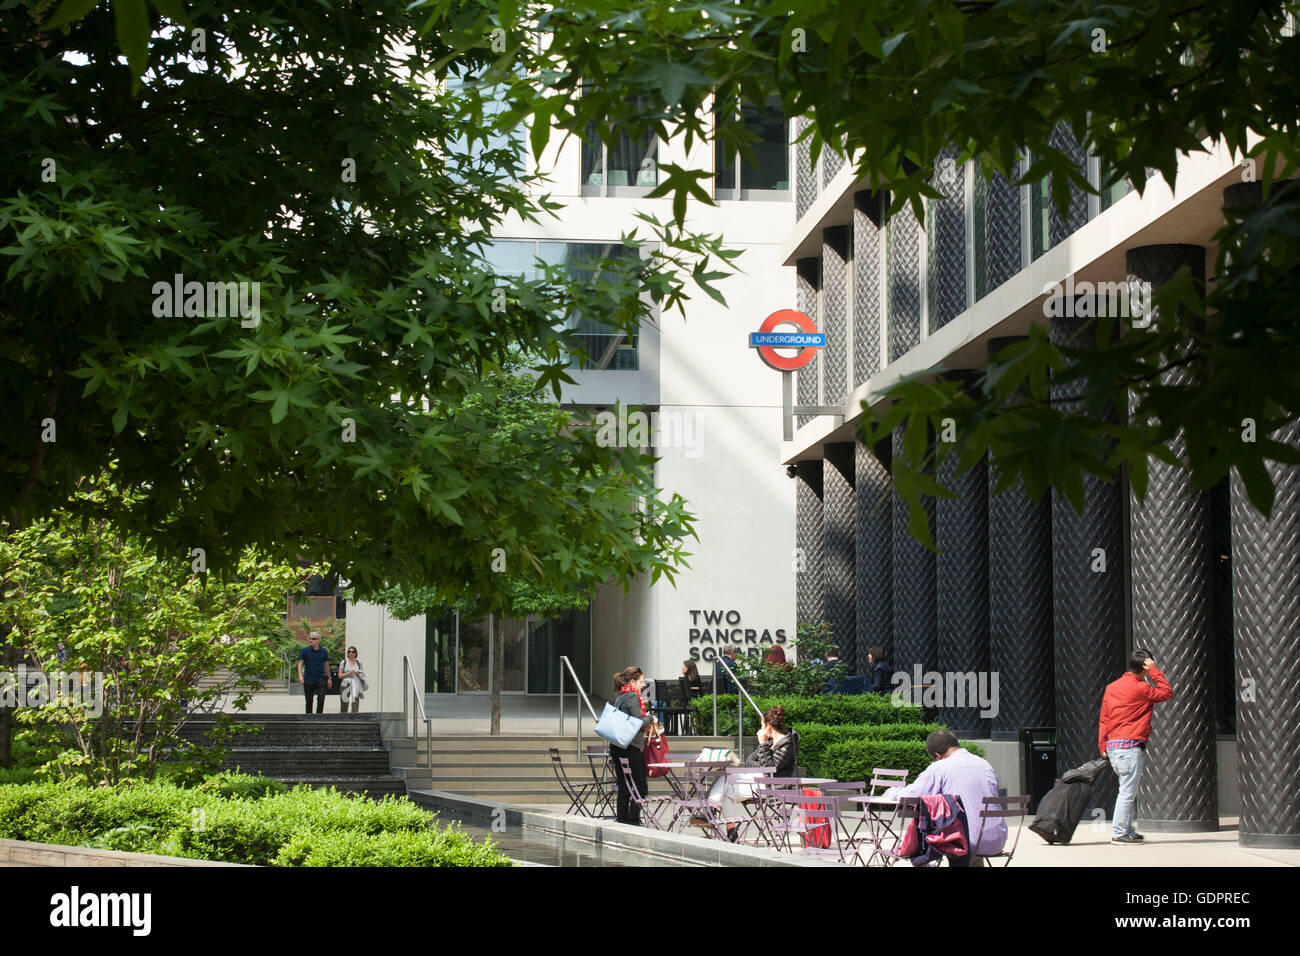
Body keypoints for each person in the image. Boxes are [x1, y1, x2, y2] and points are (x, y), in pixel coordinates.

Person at [886, 729, 1006, 864]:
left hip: (964, 842)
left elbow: (914, 794)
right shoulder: (984, 764)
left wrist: (892, 792)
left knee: (927, 830)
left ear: (938, 756)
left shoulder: (940, 767)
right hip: (997, 840)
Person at [1098, 649, 1174, 846]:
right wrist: (1156, 672)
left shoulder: (1112, 687)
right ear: (1145, 666)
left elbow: (1105, 718)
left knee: (1127, 789)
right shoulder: (1141, 688)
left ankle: (1128, 830)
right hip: (1129, 747)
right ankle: (1120, 833)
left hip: (1114, 746)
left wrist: (1102, 743)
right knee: (1127, 792)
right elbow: (1167, 693)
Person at [710, 705, 800, 841]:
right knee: (726, 780)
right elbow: (749, 761)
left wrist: (762, 743)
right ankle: (730, 829)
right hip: (760, 781)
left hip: (774, 787)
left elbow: (771, 768)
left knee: (726, 784)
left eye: (762, 725)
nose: (760, 729)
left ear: (768, 726)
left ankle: (711, 809)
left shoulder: (787, 744)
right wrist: (762, 765)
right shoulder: (770, 742)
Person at [609, 666, 660, 825]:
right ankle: (632, 821)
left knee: (624, 786)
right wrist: (652, 719)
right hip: (630, 746)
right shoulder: (631, 695)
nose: (642, 685)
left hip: (618, 745)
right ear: (632, 681)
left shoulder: (620, 695)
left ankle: (623, 819)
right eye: (640, 681)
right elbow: (636, 721)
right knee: (640, 786)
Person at [297, 631, 331, 715]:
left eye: (314, 639)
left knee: (321, 697)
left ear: (319, 640)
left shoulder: (324, 651)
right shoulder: (305, 651)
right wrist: (300, 676)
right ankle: (309, 718)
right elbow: (300, 663)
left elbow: (326, 665)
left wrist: (329, 678)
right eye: (310, 638)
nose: (311, 640)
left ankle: (319, 716)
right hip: (308, 679)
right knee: (309, 701)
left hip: (321, 679)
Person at [338, 645, 367, 713]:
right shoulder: (344, 662)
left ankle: (354, 718)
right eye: (349, 652)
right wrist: (349, 673)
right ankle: (343, 719)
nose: (351, 653)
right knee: (344, 702)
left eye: (353, 652)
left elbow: (362, 675)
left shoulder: (359, 663)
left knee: (355, 703)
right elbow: (339, 675)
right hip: (345, 683)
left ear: (356, 654)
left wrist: (358, 673)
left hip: (356, 683)